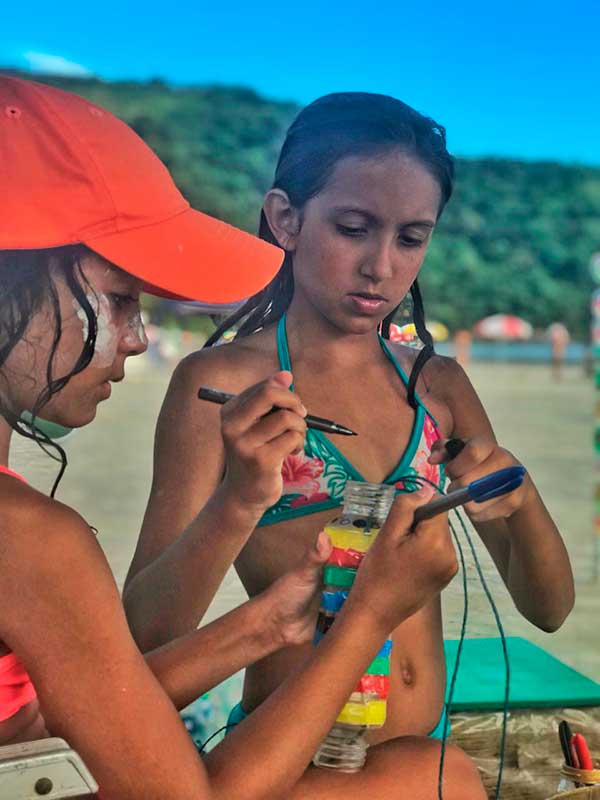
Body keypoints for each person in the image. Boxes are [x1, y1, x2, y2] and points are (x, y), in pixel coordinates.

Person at [0, 76, 484, 800]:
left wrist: (263, 623)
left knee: (429, 769)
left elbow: (42, 722)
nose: (137, 338)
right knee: (434, 776)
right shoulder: (30, 539)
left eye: (411, 237)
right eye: (122, 298)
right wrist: (369, 618)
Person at [125, 91, 575, 767]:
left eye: (411, 238)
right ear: (287, 218)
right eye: (354, 228)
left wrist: (523, 500)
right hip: (288, 762)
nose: (382, 266)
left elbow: (549, 608)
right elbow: (143, 637)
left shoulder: (436, 386)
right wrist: (237, 501)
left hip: (421, 750)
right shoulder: (218, 384)